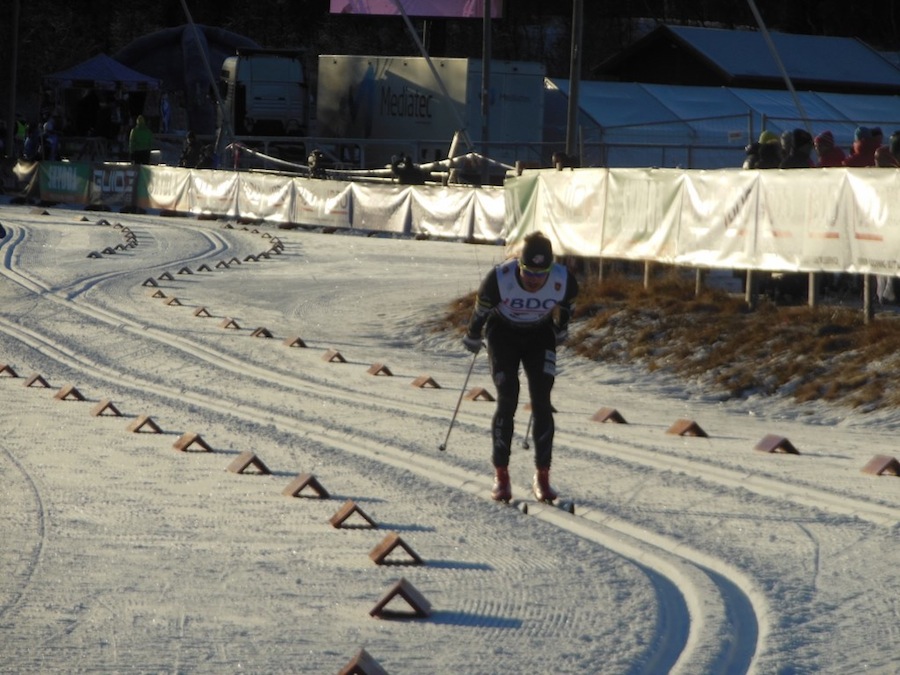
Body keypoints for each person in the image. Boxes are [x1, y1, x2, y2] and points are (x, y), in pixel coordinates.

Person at [463, 232, 579, 503]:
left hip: (539, 334)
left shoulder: (563, 280)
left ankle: (542, 476)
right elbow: (480, 312)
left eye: (542, 273)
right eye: (528, 272)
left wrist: (561, 330)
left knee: (542, 401)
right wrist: (471, 335)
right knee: (508, 397)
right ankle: (501, 476)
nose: (535, 280)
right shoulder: (500, 279)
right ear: (519, 265)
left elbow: (567, 309)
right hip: (503, 334)